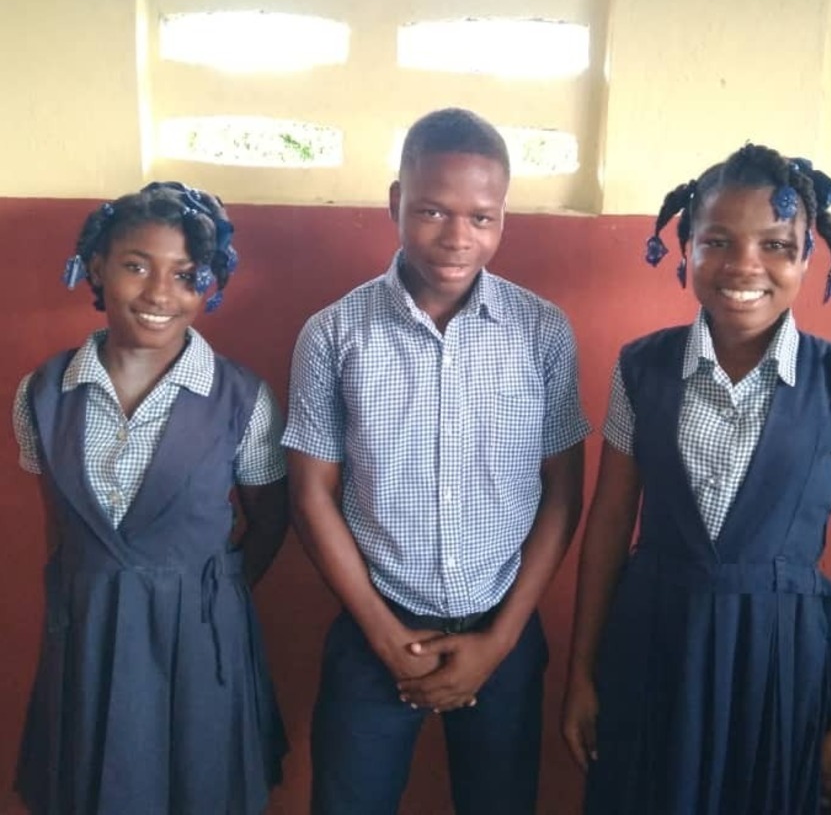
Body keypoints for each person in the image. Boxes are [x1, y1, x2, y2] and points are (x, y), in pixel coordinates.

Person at [562, 144, 831, 815]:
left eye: (776, 244)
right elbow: (606, 528)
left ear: (808, 258)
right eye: (717, 240)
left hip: (784, 663)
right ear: (684, 249)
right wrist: (582, 674)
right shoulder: (642, 369)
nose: (745, 265)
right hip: (656, 646)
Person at [284, 107, 591, 814]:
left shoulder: (541, 332)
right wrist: (384, 637)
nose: (457, 238)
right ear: (396, 203)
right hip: (374, 629)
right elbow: (311, 496)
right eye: (431, 211)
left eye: (482, 217)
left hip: (503, 628)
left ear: (503, 216)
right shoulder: (334, 335)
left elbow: (563, 492)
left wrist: (500, 640)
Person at [13, 182, 289, 815]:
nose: (160, 293)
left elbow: (271, 521)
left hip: (199, 638)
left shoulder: (243, 400)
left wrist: (208, 596)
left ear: (211, 283)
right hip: (86, 634)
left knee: (200, 786)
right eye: (137, 266)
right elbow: (61, 522)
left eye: (187, 274)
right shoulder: (42, 394)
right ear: (98, 267)